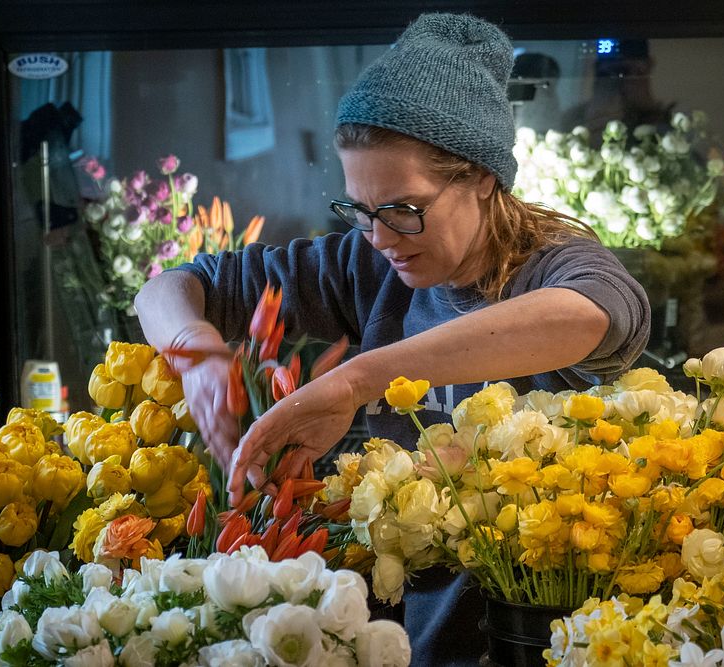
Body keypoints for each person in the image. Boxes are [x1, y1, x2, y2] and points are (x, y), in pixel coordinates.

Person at [135, 12, 650, 664]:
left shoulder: (554, 267)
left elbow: (595, 314)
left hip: (529, 644)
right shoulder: (367, 261)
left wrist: (358, 378)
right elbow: (166, 287)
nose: (379, 236)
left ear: (482, 177)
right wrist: (198, 352)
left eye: (404, 209)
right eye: (360, 209)